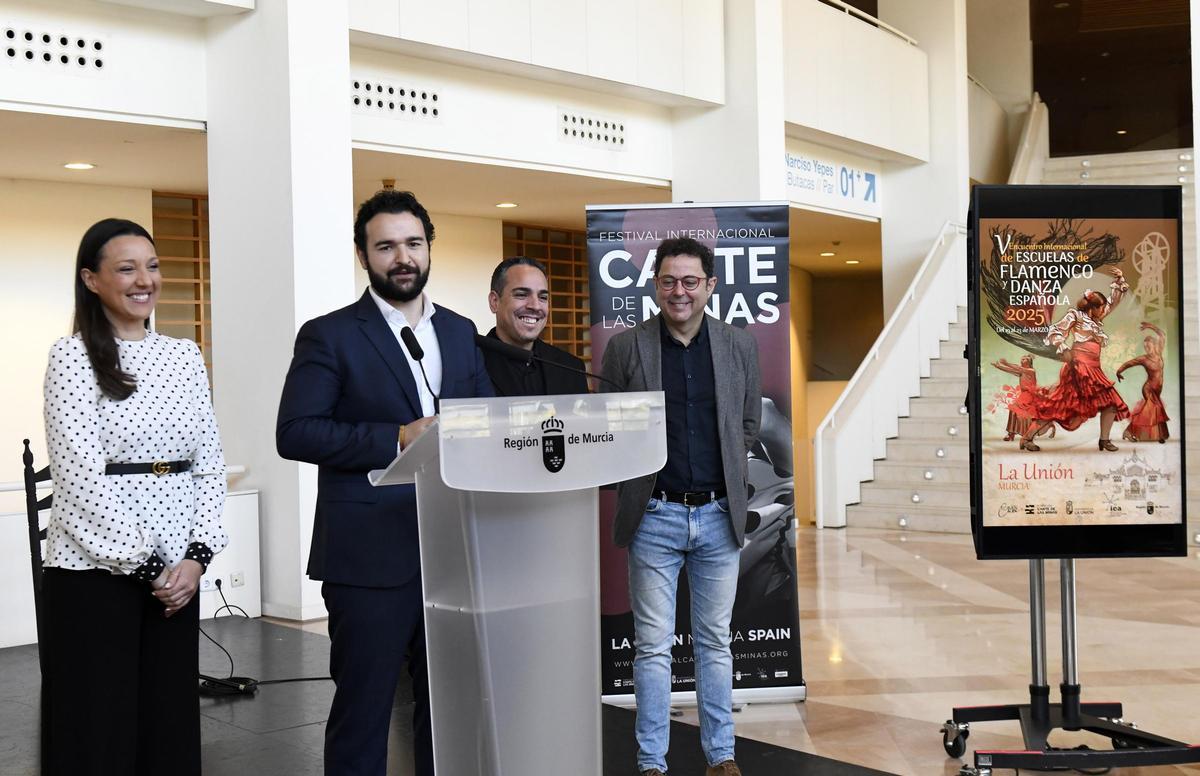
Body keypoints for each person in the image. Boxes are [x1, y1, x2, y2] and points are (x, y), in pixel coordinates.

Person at [276, 190, 493, 776]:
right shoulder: (330, 335)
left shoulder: (460, 331)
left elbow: (484, 422)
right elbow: (295, 432)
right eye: (386, 246)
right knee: (364, 713)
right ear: (363, 255)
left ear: (429, 247)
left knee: (450, 715)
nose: (403, 257)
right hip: (367, 557)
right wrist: (396, 437)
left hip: (453, 553)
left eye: (413, 243)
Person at [41, 218, 227, 775]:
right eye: (126, 269)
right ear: (91, 280)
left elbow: (209, 463)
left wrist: (197, 556)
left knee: (169, 727)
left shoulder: (184, 355)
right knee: (97, 729)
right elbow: (79, 478)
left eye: (152, 266)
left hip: (177, 573)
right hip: (96, 572)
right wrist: (146, 566)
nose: (144, 280)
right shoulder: (72, 356)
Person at [601, 236, 761, 776]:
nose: (679, 292)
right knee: (652, 647)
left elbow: (747, 424)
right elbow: (608, 426)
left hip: (719, 516)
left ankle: (722, 757)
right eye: (669, 281)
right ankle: (652, 762)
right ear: (655, 285)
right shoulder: (627, 347)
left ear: (710, 286)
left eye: (690, 281)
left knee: (715, 643)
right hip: (654, 517)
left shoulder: (739, 346)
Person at [1023, 270, 1130, 452]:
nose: (1104, 310)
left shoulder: (1095, 319)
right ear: (1092, 307)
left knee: (1111, 403)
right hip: (1079, 368)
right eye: (1101, 307)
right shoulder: (1076, 316)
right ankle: (1027, 438)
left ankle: (1104, 440)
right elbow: (1056, 331)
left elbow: (1112, 303)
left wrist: (1120, 280)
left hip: (1094, 369)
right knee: (1060, 406)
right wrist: (1063, 347)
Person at [483, 256, 589, 396]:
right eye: (522, 294)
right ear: (494, 302)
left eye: (543, 297)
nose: (535, 306)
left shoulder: (571, 367)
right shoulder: (469, 366)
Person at [1117, 321, 1169, 442]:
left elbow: (1162, 335)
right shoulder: (1144, 359)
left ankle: (1159, 435)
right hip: (1149, 388)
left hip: (1158, 389)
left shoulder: (1159, 352)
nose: (1147, 348)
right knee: (1153, 408)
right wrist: (1119, 371)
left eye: (1149, 346)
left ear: (1154, 345)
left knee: (1155, 410)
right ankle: (1129, 432)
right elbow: (1129, 363)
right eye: (1145, 347)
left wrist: (1151, 326)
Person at [990, 355, 1052, 445]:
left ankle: (1021, 434)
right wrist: (999, 366)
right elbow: (1010, 370)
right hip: (1024, 395)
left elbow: (1017, 368)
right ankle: (1013, 433)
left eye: (1024, 359)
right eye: (1022, 359)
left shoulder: (1031, 370)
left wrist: (1006, 363)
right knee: (1016, 411)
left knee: (1020, 412)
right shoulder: (1022, 371)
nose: (1022, 360)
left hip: (1029, 395)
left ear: (1029, 362)